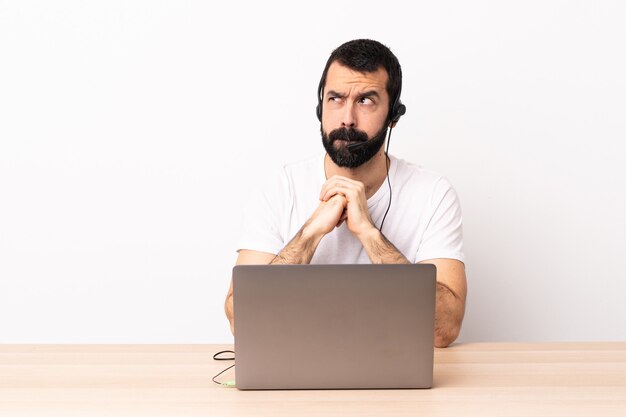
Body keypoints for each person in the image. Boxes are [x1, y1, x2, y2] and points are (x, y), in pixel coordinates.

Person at [225, 39, 467, 348]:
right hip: (295, 376)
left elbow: (444, 329)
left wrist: (369, 234)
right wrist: (309, 234)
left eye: (366, 100)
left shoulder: (433, 193)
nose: (347, 118)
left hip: (396, 378)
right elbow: (240, 321)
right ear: (320, 107)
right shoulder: (279, 188)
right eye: (335, 99)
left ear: (393, 115)